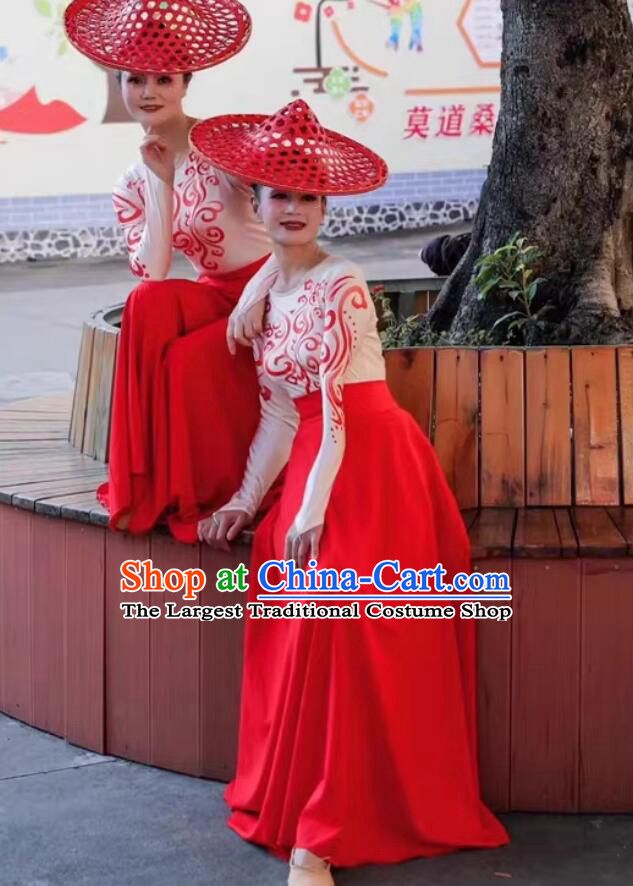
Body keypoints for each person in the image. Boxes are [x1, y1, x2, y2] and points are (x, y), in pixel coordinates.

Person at [192, 99, 510, 884]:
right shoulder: (271, 290)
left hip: (368, 463)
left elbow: (334, 412)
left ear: (325, 206)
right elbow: (276, 411)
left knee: (349, 621)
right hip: (313, 460)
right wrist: (242, 498)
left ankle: (321, 837)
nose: (292, 208)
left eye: (307, 197)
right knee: (305, 609)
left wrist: (307, 511)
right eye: (278, 194)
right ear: (259, 203)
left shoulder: (344, 284)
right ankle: (303, 801)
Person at [64, 0, 275, 542]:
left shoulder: (227, 146)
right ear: (120, 85)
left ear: (186, 83)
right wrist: (161, 180)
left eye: (163, 79)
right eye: (135, 80)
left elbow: (290, 236)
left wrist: (256, 296)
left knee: (185, 361)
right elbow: (154, 271)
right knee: (145, 302)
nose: (149, 92)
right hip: (213, 295)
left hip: (271, 289)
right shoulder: (132, 180)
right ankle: (150, 482)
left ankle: (215, 491)